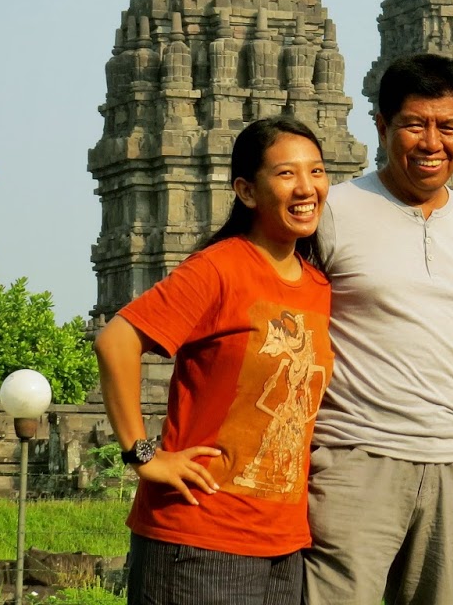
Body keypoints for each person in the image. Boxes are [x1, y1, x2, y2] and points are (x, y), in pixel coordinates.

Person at [303, 53, 453, 605]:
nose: (432, 143)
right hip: (353, 463)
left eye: (447, 127)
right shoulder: (331, 213)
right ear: (380, 126)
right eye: (413, 124)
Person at [94, 114, 333, 605]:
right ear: (246, 191)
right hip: (199, 537)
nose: (306, 187)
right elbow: (116, 341)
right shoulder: (219, 268)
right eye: (286, 173)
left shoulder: (319, 287)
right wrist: (143, 454)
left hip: (283, 543)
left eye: (317, 171)